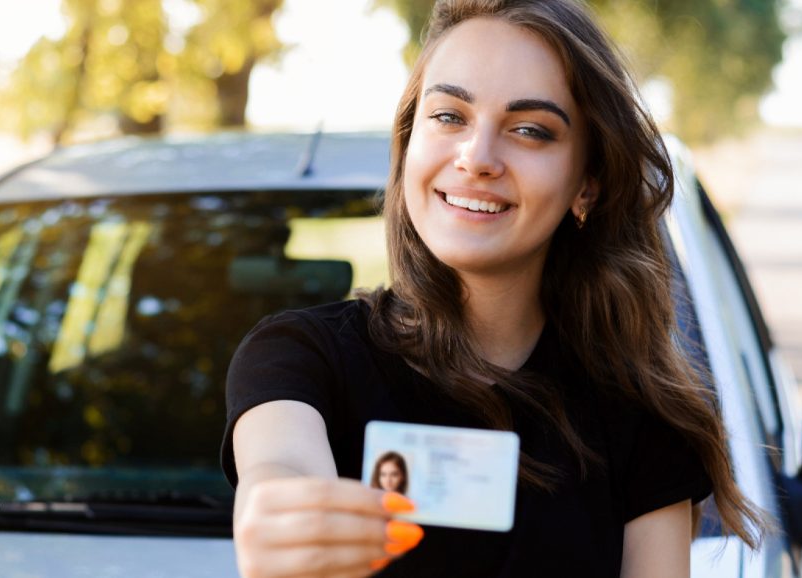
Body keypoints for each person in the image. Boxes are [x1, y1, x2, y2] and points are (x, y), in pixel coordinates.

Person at [221, 0, 770, 576]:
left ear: (586, 185)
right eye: (449, 116)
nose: (476, 158)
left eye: (530, 131)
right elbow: (279, 471)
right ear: (409, 144)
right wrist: (277, 516)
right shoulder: (298, 358)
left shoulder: (636, 415)